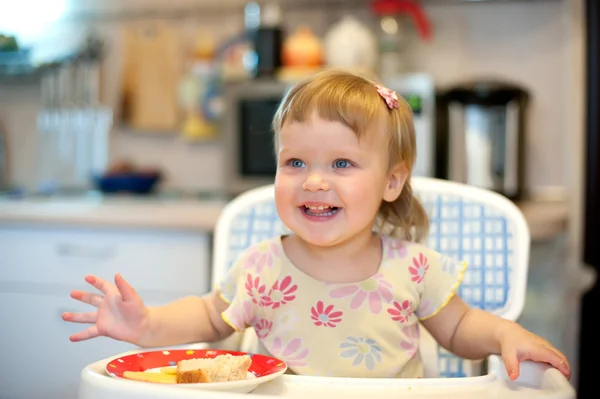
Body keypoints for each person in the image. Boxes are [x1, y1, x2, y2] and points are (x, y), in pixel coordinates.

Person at [63, 69, 570, 380]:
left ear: (392, 182)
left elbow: (460, 327)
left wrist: (505, 334)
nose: (313, 183)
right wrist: (148, 324)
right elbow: (207, 317)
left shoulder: (413, 268)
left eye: (342, 165)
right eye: (296, 163)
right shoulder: (261, 268)